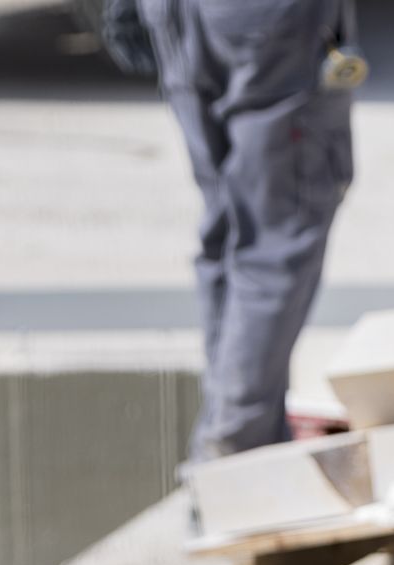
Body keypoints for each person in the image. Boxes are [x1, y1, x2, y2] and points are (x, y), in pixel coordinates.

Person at [107, 0, 356, 461]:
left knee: (231, 225)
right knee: (276, 231)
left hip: (179, 14)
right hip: (263, 20)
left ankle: (239, 434)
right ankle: (236, 447)